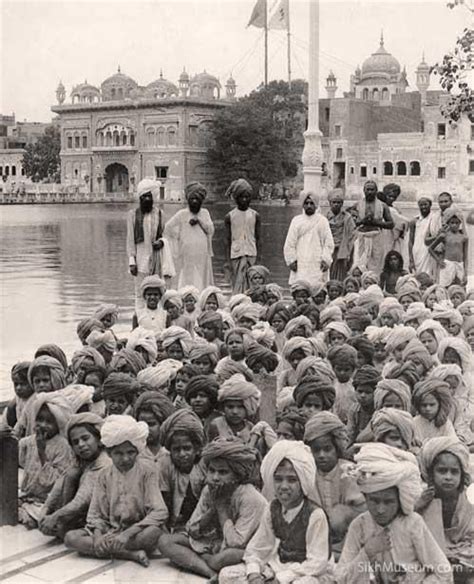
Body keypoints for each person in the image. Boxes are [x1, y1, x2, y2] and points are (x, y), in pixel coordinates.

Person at [336, 442, 452, 584]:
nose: (380, 509)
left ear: (400, 499)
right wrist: (367, 552)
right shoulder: (359, 526)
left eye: (388, 502)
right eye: (374, 501)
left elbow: (443, 571)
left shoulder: (412, 523)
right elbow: (341, 578)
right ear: (365, 497)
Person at [223, 440, 334, 584]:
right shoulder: (272, 508)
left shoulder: (315, 515)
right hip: (278, 567)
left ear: (303, 483)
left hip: (307, 573)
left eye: (292, 480)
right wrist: (254, 574)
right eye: (278, 479)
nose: (284, 486)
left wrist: (280, 580)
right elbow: (258, 547)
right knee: (227, 575)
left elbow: (317, 563)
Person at [64, 415, 168, 567]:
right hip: (111, 530)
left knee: (154, 533)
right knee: (70, 538)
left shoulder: (148, 471)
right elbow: (95, 514)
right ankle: (129, 554)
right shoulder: (104, 475)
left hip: (137, 532)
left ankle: (114, 549)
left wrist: (127, 534)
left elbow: (160, 512)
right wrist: (98, 537)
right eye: (119, 453)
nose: (125, 459)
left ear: (137, 451)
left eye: (130, 452)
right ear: (109, 453)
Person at [159, 438, 266, 581]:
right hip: (212, 543)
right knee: (165, 541)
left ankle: (204, 561)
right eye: (212, 470)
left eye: (223, 472)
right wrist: (213, 509)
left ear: (238, 475)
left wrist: (222, 510)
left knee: (222, 558)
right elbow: (191, 529)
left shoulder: (251, 497)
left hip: (243, 548)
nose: (215, 477)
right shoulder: (209, 490)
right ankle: (210, 573)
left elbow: (236, 542)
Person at [39, 413, 111, 539]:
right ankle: (67, 524)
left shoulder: (104, 462)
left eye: (85, 438)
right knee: (72, 473)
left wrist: (55, 516)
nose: (81, 445)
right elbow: (60, 483)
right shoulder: (81, 460)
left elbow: (82, 501)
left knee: (69, 537)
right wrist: (45, 510)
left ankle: (69, 525)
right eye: (75, 442)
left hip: (102, 515)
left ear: (99, 440)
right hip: (82, 512)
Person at [304, 412, 366, 555]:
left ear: (337, 448)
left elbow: (363, 511)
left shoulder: (349, 471)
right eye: (316, 450)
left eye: (327, 449)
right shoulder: (307, 473)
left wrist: (344, 514)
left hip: (349, 538)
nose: (322, 455)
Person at [417, 437, 473, 578]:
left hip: (465, 555)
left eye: (454, 472)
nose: (448, 477)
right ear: (431, 474)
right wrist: (417, 506)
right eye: (442, 471)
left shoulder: (468, 498)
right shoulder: (423, 498)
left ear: (462, 475)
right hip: (431, 556)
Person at [18, 393, 74, 527]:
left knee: (37, 517)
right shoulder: (30, 441)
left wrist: (42, 452)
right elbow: (21, 461)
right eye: (39, 420)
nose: (43, 425)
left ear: (59, 423)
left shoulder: (63, 446)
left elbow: (53, 481)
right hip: (28, 494)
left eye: (49, 422)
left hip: (46, 500)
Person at [126, 179, 174, 311]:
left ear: (153, 197)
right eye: (144, 196)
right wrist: (132, 261)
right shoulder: (132, 215)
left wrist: (161, 242)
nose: (147, 199)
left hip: (156, 257)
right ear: (140, 198)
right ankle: (140, 319)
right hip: (140, 259)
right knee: (139, 291)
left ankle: (157, 319)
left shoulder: (159, 214)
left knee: (157, 289)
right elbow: (130, 240)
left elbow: (166, 234)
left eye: (149, 196)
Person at [164, 181, 215, 290]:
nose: (195, 202)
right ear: (188, 200)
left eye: (197, 199)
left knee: (202, 276)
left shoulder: (205, 213)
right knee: (188, 277)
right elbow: (168, 227)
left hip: (202, 253)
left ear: (201, 201)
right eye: (192, 199)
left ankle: (202, 299)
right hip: (186, 252)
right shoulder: (182, 214)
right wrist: (178, 237)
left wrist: (199, 221)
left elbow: (211, 230)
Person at [283, 190, 334, 287]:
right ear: (303, 205)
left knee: (318, 288)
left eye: (312, 203)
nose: (309, 206)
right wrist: (291, 260)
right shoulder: (296, 221)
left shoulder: (322, 221)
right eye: (306, 203)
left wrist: (326, 259)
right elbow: (290, 243)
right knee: (300, 288)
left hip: (317, 261)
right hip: (300, 261)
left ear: (316, 205)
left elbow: (328, 243)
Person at [224, 178, 262, 294]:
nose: (244, 200)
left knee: (252, 283)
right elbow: (227, 239)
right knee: (238, 283)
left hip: (251, 254)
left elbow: (259, 238)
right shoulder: (230, 216)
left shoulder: (255, 215)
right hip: (236, 255)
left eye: (247, 197)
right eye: (241, 197)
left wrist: (259, 258)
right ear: (236, 198)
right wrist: (227, 261)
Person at [352, 180, 394, 274]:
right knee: (359, 266)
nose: (370, 192)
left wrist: (376, 222)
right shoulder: (357, 205)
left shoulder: (383, 206)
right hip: (361, 238)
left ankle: (374, 286)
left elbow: (391, 224)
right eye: (368, 189)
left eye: (372, 189)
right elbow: (351, 224)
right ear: (364, 190)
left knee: (376, 267)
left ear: (376, 191)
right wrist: (363, 221)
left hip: (376, 238)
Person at [429, 207, 468, 288]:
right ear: (448, 223)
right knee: (444, 287)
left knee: (460, 287)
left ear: (460, 223)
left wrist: (466, 273)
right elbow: (430, 248)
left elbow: (465, 257)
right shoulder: (444, 236)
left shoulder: (464, 237)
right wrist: (438, 260)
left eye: (457, 223)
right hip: (447, 265)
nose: (454, 225)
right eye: (452, 222)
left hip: (459, 264)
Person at [326, 188, 355, 281]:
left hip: (342, 250)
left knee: (341, 274)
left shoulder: (347, 217)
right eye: (334, 202)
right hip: (328, 250)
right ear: (329, 203)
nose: (336, 205)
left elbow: (352, 236)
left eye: (338, 202)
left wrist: (348, 251)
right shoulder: (324, 218)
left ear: (342, 204)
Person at [409, 197, 437, 278]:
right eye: (421, 205)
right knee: (417, 275)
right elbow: (410, 241)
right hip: (417, 252)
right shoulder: (414, 220)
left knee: (429, 276)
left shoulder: (435, 218)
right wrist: (411, 259)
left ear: (430, 205)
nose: (423, 207)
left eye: (425, 204)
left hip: (429, 251)